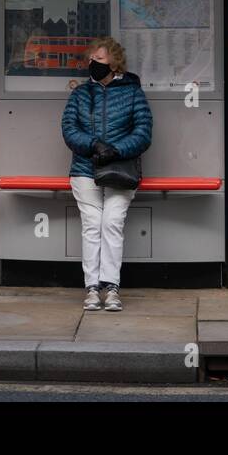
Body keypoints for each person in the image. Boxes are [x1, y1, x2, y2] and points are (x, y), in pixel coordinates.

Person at [61, 36, 152, 312]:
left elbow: (144, 132)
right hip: (84, 170)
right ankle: (92, 288)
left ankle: (110, 287)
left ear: (114, 62)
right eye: (90, 59)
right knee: (92, 224)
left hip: (119, 170)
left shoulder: (133, 92)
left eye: (99, 60)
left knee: (111, 223)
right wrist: (93, 145)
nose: (93, 64)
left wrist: (115, 150)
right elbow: (69, 129)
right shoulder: (79, 94)